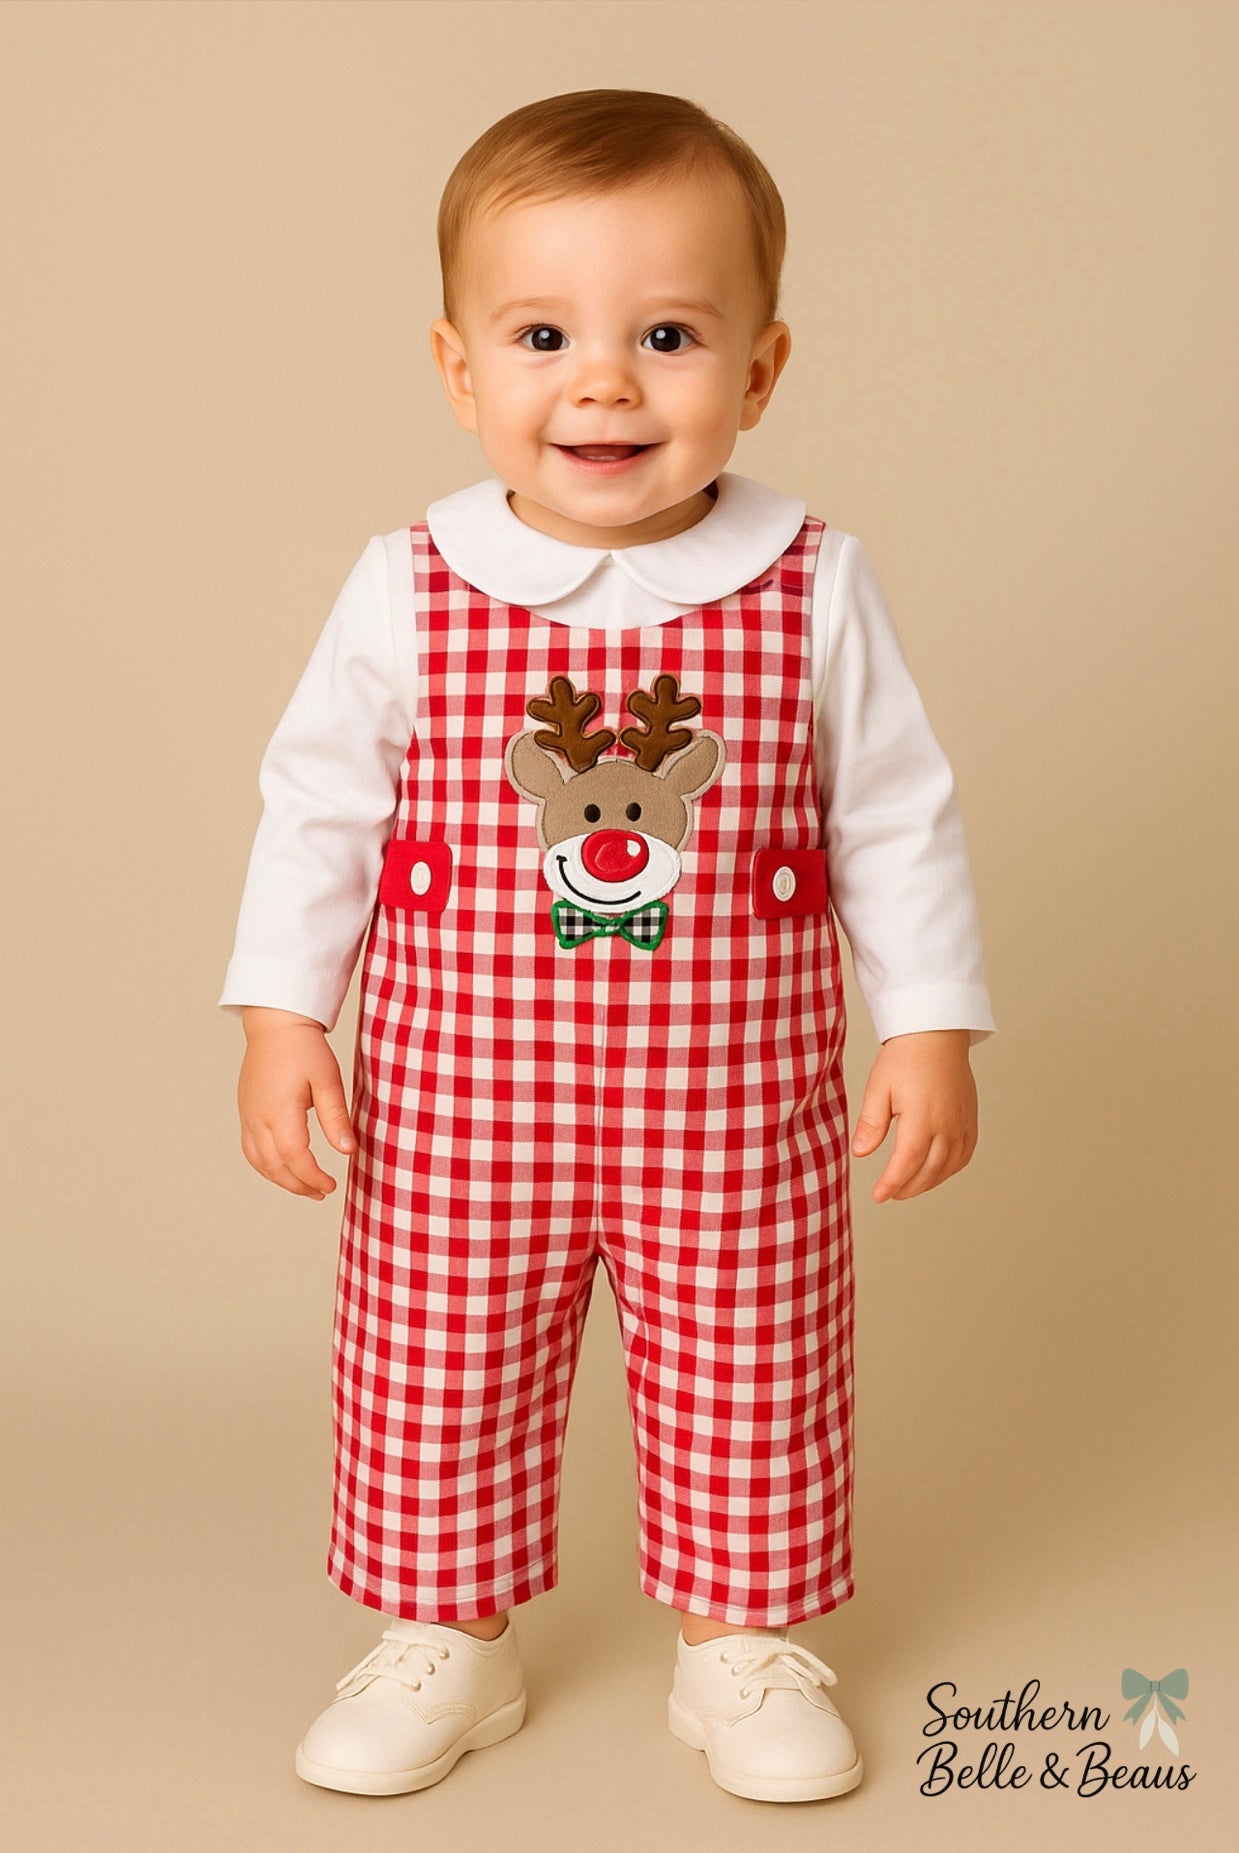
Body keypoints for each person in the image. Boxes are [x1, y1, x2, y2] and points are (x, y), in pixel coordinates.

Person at [218, 87, 996, 1806]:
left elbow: (894, 815)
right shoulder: (410, 581)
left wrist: (928, 1021)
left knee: (755, 1345)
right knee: (436, 1352)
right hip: (459, 1109)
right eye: (544, 334)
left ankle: (740, 1637)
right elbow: (317, 810)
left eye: (667, 334)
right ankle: (450, 1631)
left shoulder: (809, 581)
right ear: (459, 367)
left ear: (762, 369)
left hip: (735, 1109)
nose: (605, 383)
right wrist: (285, 1016)